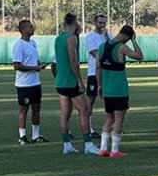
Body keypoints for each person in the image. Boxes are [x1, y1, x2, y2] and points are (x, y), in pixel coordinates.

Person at [54, 13, 100, 155]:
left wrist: (78, 35)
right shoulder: (71, 38)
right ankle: (88, 145)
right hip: (71, 81)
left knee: (64, 113)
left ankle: (67, 145)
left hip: (60, 82)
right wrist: (79, 80)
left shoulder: (58, 38)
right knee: (84, 112)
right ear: (75, 23)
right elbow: (73, 61)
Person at [95, 25, 143, 157]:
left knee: (109, 119)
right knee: (119, 119)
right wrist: (134, 41)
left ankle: (103, 148)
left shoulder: (102, 47)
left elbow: (97, 68)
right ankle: (115, 150)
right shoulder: (122, 47)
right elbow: (139, 56)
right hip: (119, 89)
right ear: (127, 36)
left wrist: (99, 85)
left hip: (107, 89)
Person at [12, 19, 49, 145]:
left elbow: (33, 60)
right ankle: (22, 136)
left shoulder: (32, 43)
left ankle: (36, 135)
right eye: (29, 27)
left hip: (35, 83)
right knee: (23, 110)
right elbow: (16, 65)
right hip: (24, 84)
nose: (32, 28)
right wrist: (34, 68)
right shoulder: (19, 45)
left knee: (36, 108)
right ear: (23, 30)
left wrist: (39, 64)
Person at [84, 14, 112, 139]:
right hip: (93, 73)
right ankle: (88, 128)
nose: (102, 25)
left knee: (111, 99)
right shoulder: (89, 37)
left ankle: (113, 126)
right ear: (95, 23)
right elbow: (96, 54)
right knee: (90, 100)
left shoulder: (109, 35)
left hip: (108, 72)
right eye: (100, 23)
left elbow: (114, 49)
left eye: (104, 23)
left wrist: (106, 37)